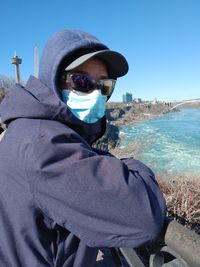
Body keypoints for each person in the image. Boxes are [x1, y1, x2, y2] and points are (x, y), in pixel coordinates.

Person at [0, 29, 166, 267]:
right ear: (53, 80)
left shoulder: (28, 129)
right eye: (81, 81)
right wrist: (133, 166)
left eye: (105, 86)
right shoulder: (44, 144)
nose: (96, 93)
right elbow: (144, 215)